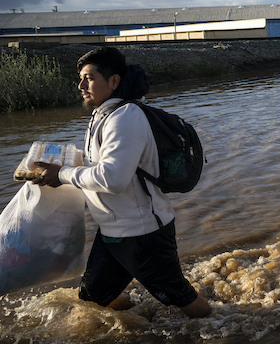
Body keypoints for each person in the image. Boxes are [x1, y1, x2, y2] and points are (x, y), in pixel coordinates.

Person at [33, 47, 211, 318]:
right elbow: (99, 166)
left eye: (89, 78)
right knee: (92, 299)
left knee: (183, 299)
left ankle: (224, 327)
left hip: (143, 235)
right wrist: (63, 163)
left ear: (114, 81)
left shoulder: (125, 117)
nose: (80, 85)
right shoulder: (102, 115)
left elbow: (112, 178)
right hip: (113, 232)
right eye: (80, 78)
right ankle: (141, 320)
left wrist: (61, 175)